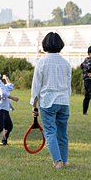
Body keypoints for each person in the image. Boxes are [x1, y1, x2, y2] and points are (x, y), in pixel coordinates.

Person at [30, 32, 73, 168]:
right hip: (63, 101)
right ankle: (64, 161)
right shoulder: (66, 63)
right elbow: (68, 85)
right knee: (62, 133)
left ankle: (57, 161)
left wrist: (34, 105)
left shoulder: (41, 62)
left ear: (45, 45)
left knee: (50, 132)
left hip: (47, 101)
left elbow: (36, 86)